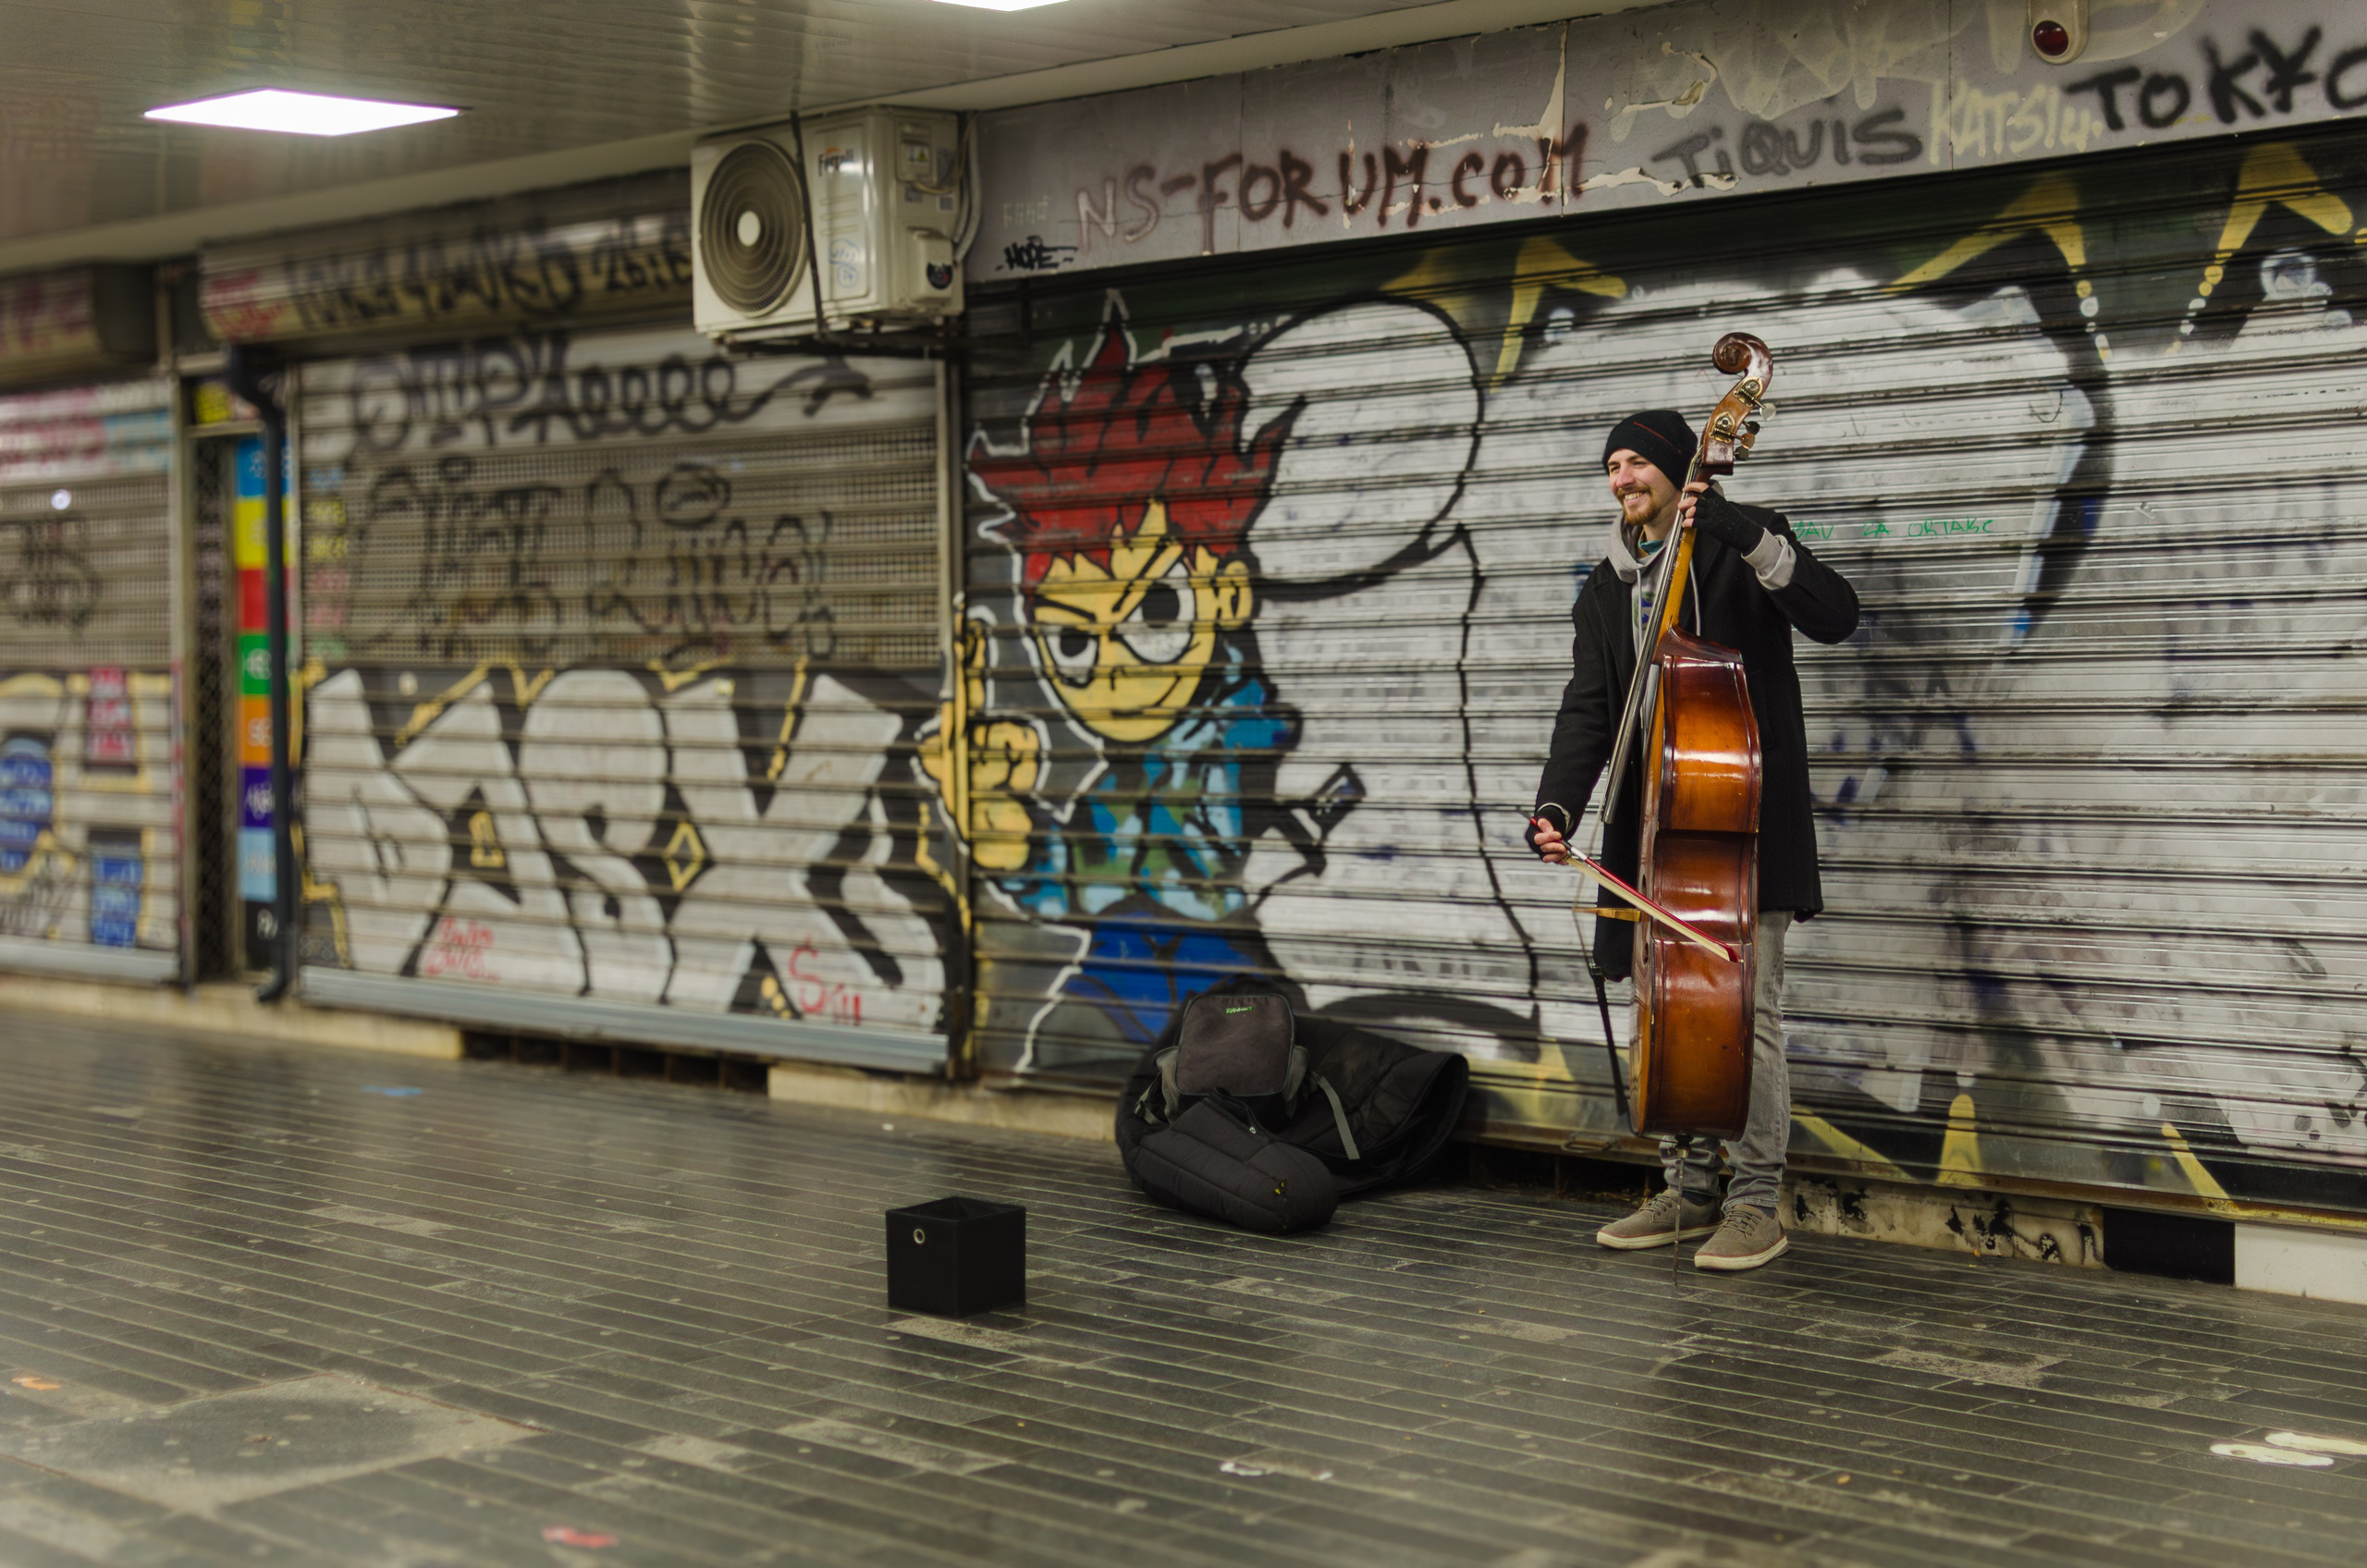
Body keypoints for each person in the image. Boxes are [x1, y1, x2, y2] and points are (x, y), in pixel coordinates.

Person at [1527, 409, 1859, 1271]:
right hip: (1651, 832)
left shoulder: (1741, 545)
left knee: (1749, 1016)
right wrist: (1558, 806)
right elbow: (1590, 710)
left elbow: (1835, 614)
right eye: (1612, 465)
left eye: (1637, 461)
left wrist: (1742, 532)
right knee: (1665, 1015)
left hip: (1740, 825)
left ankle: (1756, 1205)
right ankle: (1690, 1186)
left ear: (1680, 467)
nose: (1621, 478)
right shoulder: (1607, 587)